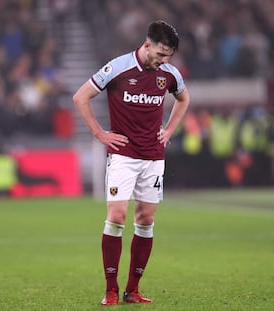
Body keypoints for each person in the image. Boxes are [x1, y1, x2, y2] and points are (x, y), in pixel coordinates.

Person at [73, 20, 190, 305]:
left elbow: (184, 99)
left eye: (168, 56)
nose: (164, 61)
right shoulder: (118, 68)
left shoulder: (169, 74)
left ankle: (132, 290)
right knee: (116, 217)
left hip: (153, 157)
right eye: (161, 54)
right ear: (147, 44)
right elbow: (81, 97)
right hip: (123, 157)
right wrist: (100, 133)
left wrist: (170, 129)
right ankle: (111, 289)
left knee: (146, 220)